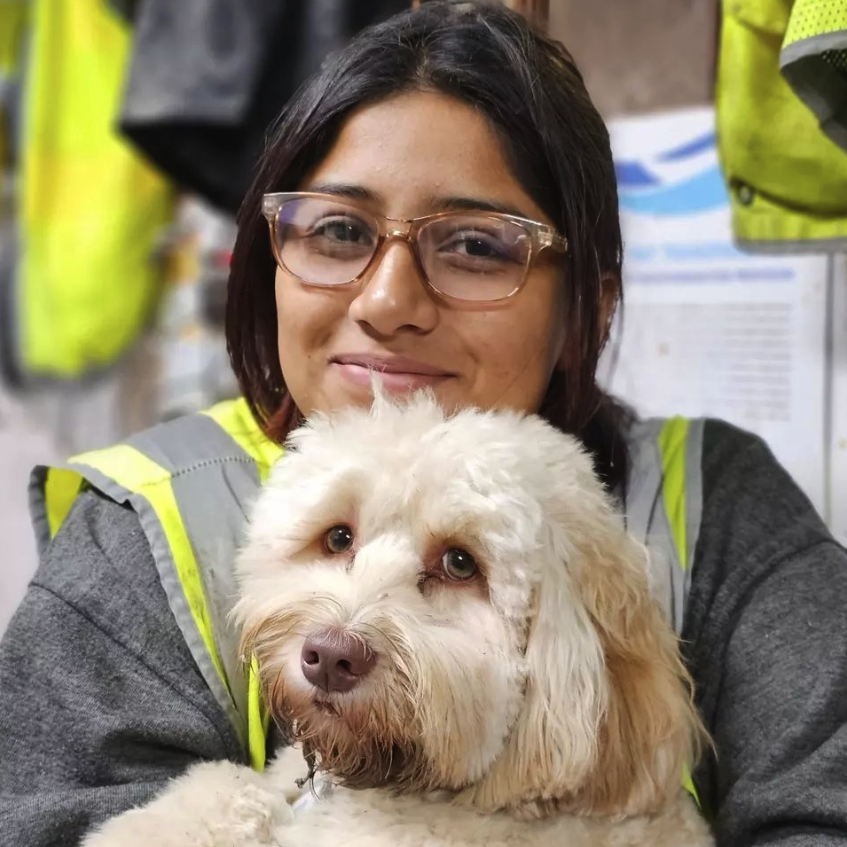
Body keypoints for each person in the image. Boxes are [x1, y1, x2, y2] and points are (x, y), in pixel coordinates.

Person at [0, 2, 845, 846]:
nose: (387, 302)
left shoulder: (715, 503)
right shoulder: (147, 526)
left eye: (476, 245)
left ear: (591, 301)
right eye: (337, 230)